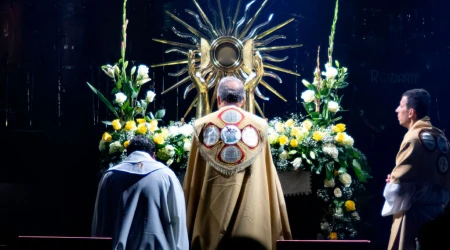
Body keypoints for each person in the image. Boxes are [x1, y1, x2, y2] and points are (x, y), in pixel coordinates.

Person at [183, 76, 292, 250]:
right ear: (243, 100)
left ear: (219, 99)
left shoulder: (201, 125)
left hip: (209, 217)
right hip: (251, 223)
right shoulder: (259, 126)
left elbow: (194, 178)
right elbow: (267, 176)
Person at [91, 135, 189, 250]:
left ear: (127, 154)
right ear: (153, 155)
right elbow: (177, 217)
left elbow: (99, 219)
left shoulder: (109, 176)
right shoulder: (166, 175)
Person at [381, 89, 450, 250]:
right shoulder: (441, 138)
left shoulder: (413, 138)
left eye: (400, 106)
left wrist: (393, 182)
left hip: (414, 217)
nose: (397, 110)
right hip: (439, 216)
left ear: (411, 112)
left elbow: (397, 189)